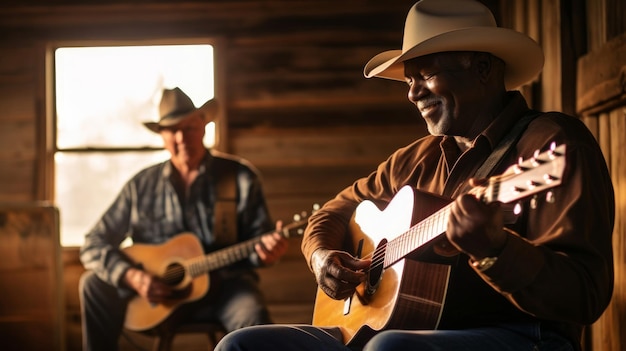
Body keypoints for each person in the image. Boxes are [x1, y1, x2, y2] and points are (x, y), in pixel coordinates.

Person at [214, 0, 615, 350]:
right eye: (409, 80)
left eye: (425, 74)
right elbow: (331, 212)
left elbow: (585, 296)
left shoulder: (553, 145)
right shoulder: (415, 158)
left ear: (482, 68)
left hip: (525, 336)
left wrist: (495, 248)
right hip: (399, 331)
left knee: (392, 347)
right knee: (243, 344)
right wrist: (321, 258)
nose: (412, 93)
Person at [78, 87, 289, 351]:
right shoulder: (140, 185)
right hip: (155, 299)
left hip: (226, 288)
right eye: (172, 129)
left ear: (203, 126)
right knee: (92, 284)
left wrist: (267, 253)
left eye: (189, 127)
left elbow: (258, 243)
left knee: (256, 324)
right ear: (162, 135)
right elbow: (93, 243)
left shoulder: (240, 177)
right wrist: (133, 277)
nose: (181, 137)